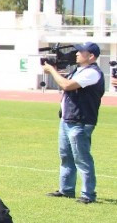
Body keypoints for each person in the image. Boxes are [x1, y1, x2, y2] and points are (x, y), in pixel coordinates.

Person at [42, 42, 104, 204]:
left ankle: (88, 194)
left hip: (81, 121)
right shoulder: (79, 70)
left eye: (81, 52)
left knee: (82, 158)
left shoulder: (92, 72)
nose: (76, 54)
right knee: (66, 157)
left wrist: (52, 71)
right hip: (68, 119)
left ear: (91, 56)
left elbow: (66, 85)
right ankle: (66, 190)